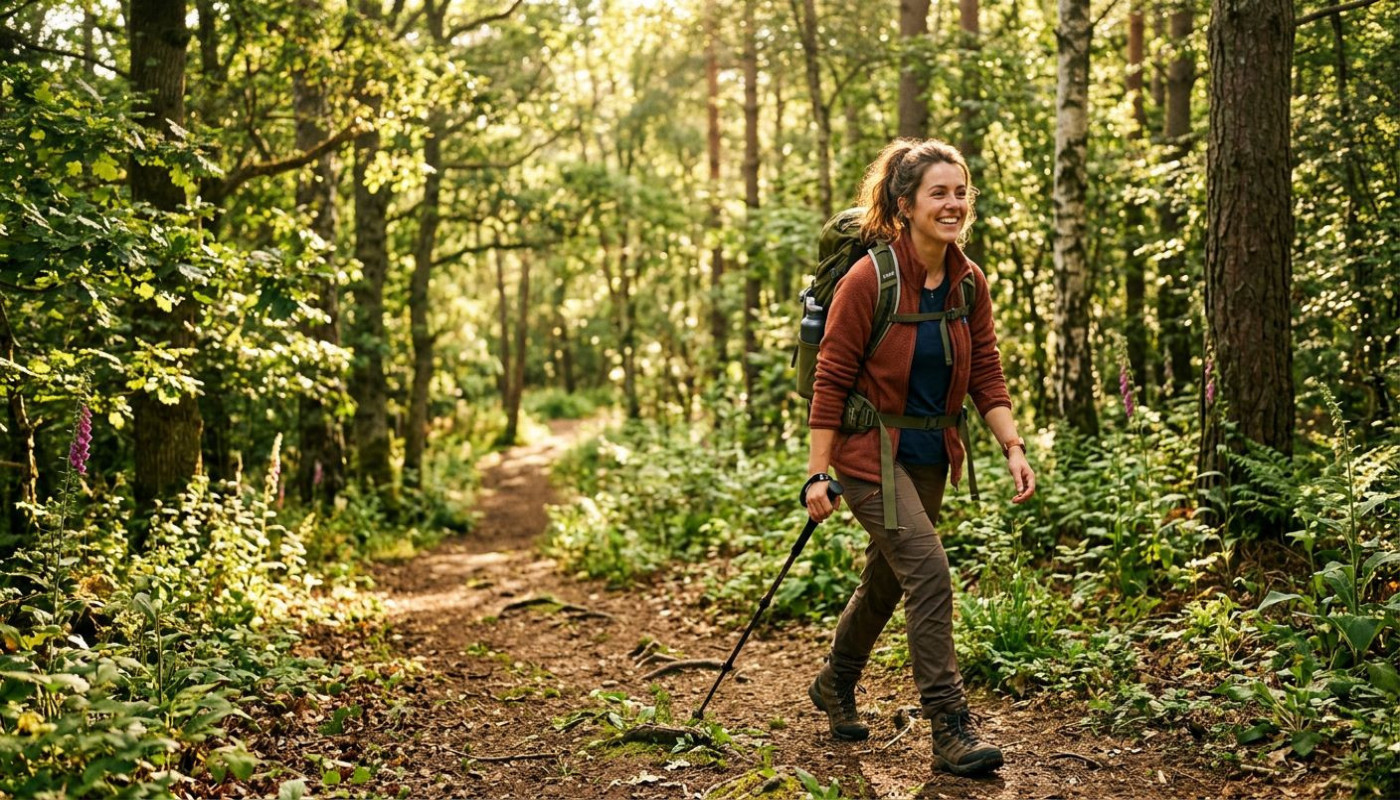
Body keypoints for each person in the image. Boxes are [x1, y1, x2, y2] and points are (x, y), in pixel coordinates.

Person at [802, 138, 1036, 777]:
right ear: (905, 205)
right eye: (939, 193)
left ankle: (835, 680)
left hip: (932, 451)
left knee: (888, 576)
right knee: (929, 572)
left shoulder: (968, 280)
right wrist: (817, 473)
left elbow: (986, 370)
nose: (953, 204)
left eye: (961, 192)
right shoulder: (868, 280)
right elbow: (830, 379)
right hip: (867, 454)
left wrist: (1012, 445)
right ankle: (950, 725)